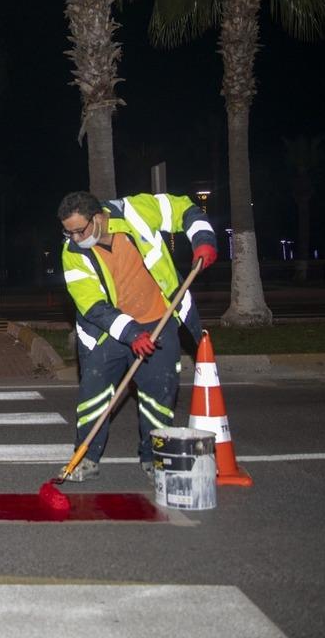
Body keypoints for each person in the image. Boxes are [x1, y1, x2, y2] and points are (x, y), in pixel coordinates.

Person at [56, 190, 217, 481]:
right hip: (108, 335)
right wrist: (131, 334)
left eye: (79, 231)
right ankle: (86, 458)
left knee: (159, 397)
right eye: (69, 233)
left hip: (159, 321)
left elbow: (183, 209)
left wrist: (203, 240)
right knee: (93, 397)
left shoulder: (136, 211)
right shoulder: (72, 254)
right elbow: (93, 306)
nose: (75, 239)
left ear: (99, 217)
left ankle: (153, 458)